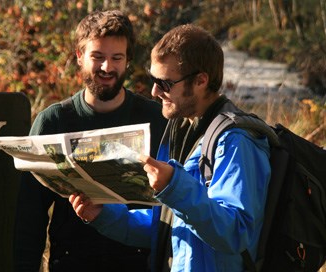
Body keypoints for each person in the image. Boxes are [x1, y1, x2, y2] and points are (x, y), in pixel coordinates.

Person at [69, 23, 272, 271]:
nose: (155, 91)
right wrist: (103, 215)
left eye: (164, 83)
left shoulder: (237, 141)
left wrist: (174, 186)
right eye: (153, 80)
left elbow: (237, 233)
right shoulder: (180, 130)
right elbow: (164, 229)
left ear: (201, 81)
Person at [13, 10, 167, 272]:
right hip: (72, 263)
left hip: (140, 263)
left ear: (128, 60)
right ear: (79, 57)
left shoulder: (156, 119)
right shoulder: (53, 121)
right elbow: (29, 217)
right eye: (97, 57)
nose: (107, 67)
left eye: (116, 58)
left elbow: (175, 206)